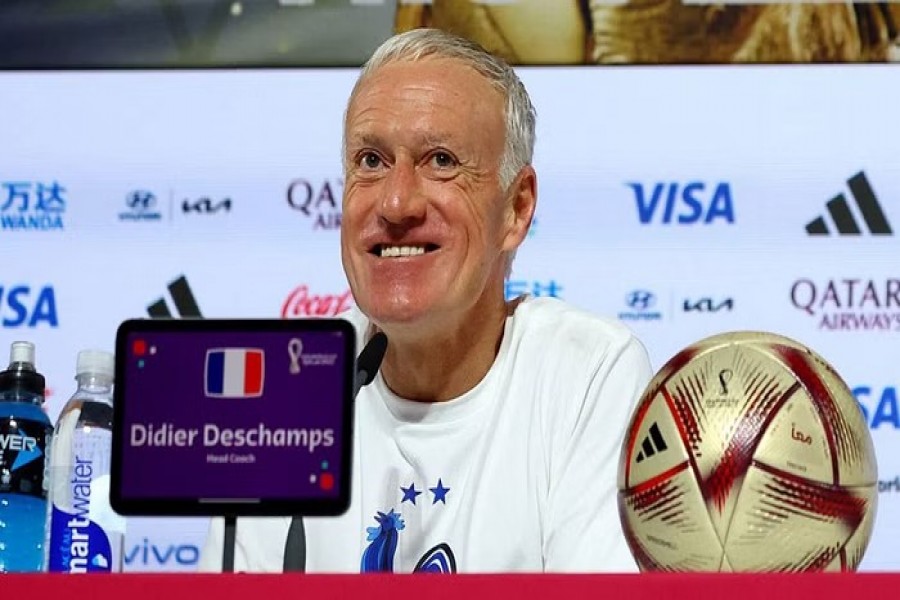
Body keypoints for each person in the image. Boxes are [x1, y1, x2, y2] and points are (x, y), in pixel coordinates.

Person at [199, 27, 653, 574]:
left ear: (517, 208)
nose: (395, 202)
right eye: (370, 161)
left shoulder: (587, 374)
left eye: (440, 160)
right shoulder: (295, 385)